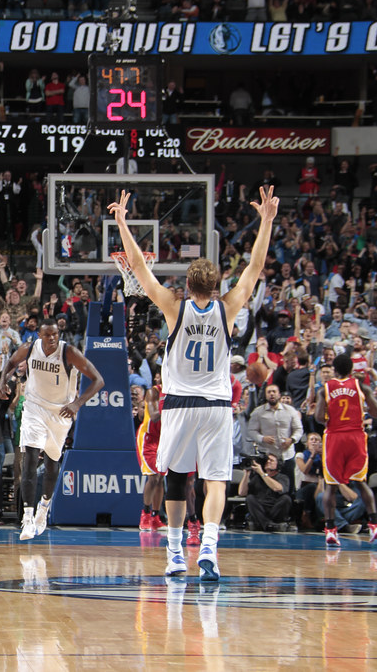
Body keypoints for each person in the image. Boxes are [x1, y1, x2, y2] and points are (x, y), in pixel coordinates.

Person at [108, 185, 279, 581]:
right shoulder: (229, 307)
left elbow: (137, 266)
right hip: (217, 407)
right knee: (215, 479)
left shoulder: (172, 305)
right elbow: (254, 267)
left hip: (180, 405)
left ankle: (173, 554)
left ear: (188, 285)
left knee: (176, 480)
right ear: (216, 287)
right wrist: (266, 222)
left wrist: (122, 223)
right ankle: (209, 547)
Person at [0, 317, 104, 541]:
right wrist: (1, 383)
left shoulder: (69, 352)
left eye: (55, 334)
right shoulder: (29, 348)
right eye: (47, 335)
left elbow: (98, 380)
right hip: (34, 407)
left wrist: (77, 403)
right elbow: (9, 363)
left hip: (60, 412)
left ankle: (44, 507)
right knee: (29, 458)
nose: (52, 338)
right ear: (40, 336)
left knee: (51, 462)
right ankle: (27, 516)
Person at [315, 353, 377, 546]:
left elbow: (319, 417)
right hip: (356, 436)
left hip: (335, 437)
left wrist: (331, 413)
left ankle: (330, 530)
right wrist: (363, 408)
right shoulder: (361, 386)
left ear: (334, 371)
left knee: (331, 485)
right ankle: (375, 524)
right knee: (361, 482)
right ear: (351, 370)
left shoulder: (325, 389)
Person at [136, 379, 169, 534]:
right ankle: (145, 514)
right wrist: (174, 405)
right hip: (149, 437)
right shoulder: (153, 392)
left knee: (161, 478)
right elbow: (155, 416)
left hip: (164, 438)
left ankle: (156, 517)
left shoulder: (176, 392)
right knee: (153, 477)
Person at [239, 452, 291, 531]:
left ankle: (264, 523)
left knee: (286, 498)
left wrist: (262, 473)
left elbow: (277, 488)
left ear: (278, 464)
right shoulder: (257, 478)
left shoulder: (283, 477)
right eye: (267, 460)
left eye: (272, 460)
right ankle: (269, 525)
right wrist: (246, 475)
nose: (268, 462)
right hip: (260, 508)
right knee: (250, 498)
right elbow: (242, 493)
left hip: (274, 508)